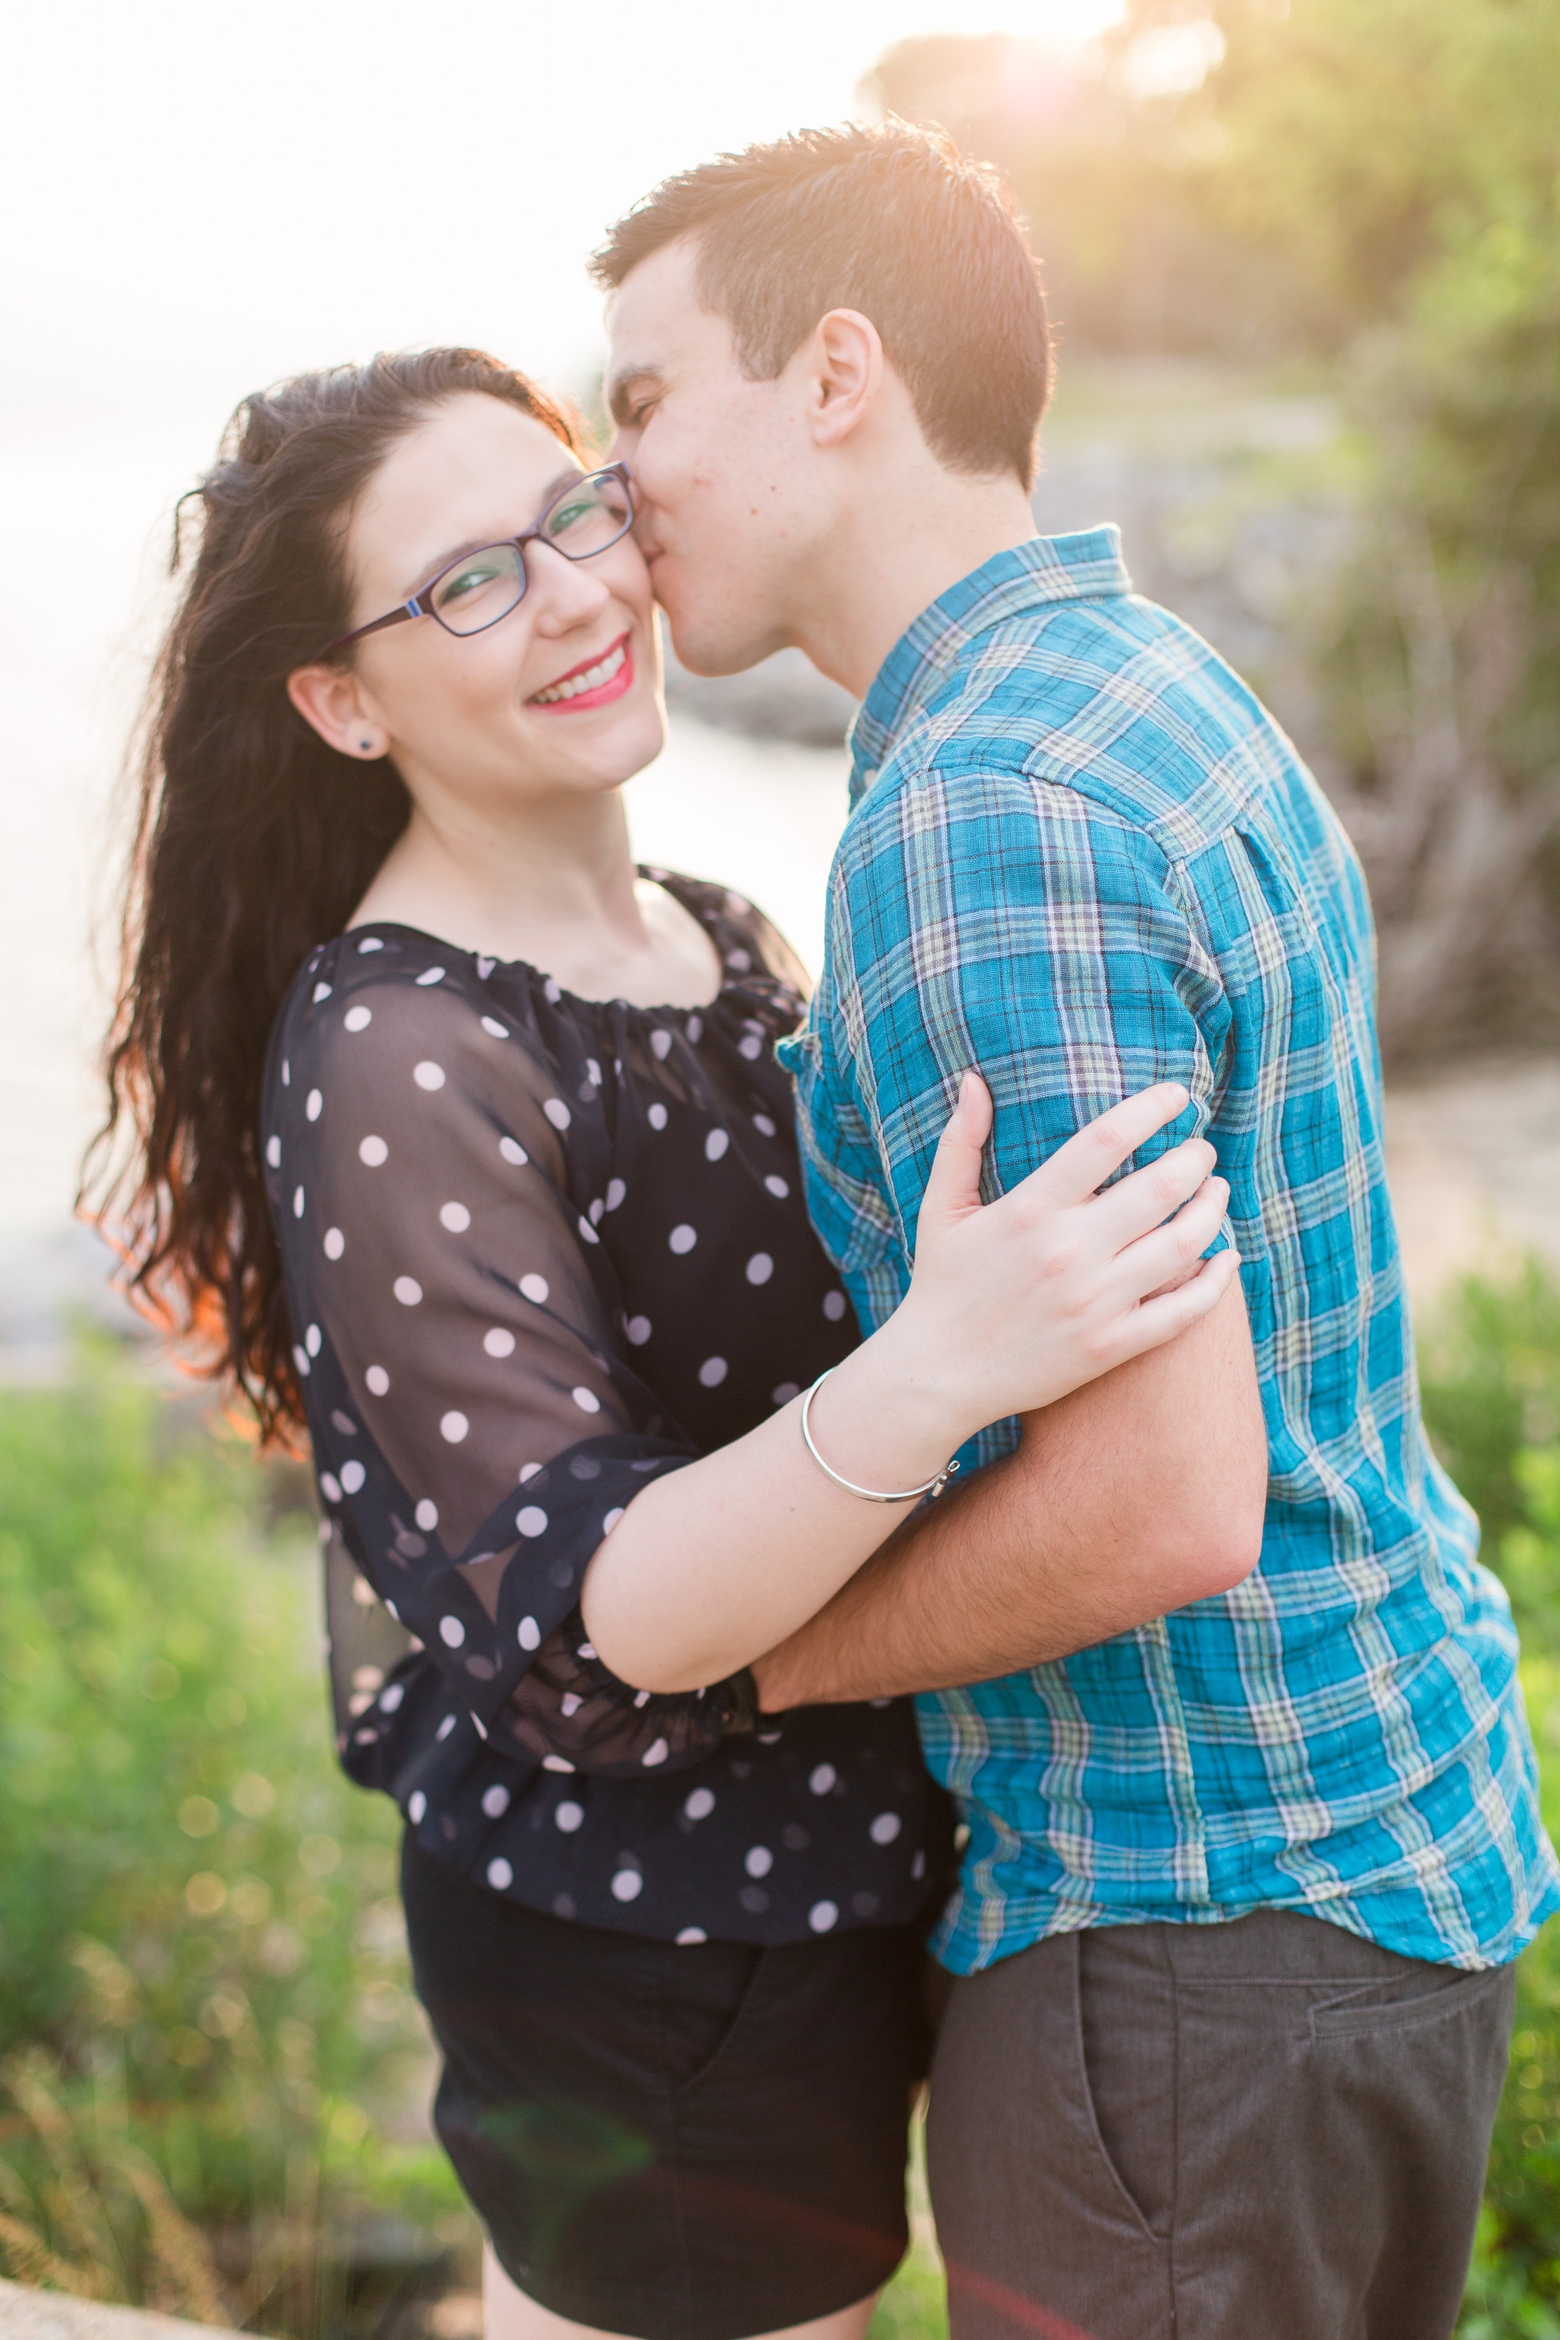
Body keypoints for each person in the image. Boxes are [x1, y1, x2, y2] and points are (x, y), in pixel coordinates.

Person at [93, 347, 1248, 2340]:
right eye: (467, 582)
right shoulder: (401, 1046)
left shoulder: (723, 934)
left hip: (859, 1882)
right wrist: (945, 1363)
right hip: (644, 1963)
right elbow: (591, 1613)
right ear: (342, 702)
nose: (570, 591)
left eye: (575, 514)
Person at [593, 121, 1560, 2339]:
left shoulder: (980, 822)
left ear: (836, 373)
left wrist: (751, 1661)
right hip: (1366, 1849)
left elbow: (1159, 1500)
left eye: (644, 397)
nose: (614, 472)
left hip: (1185, 1934)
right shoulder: (1136, 688)